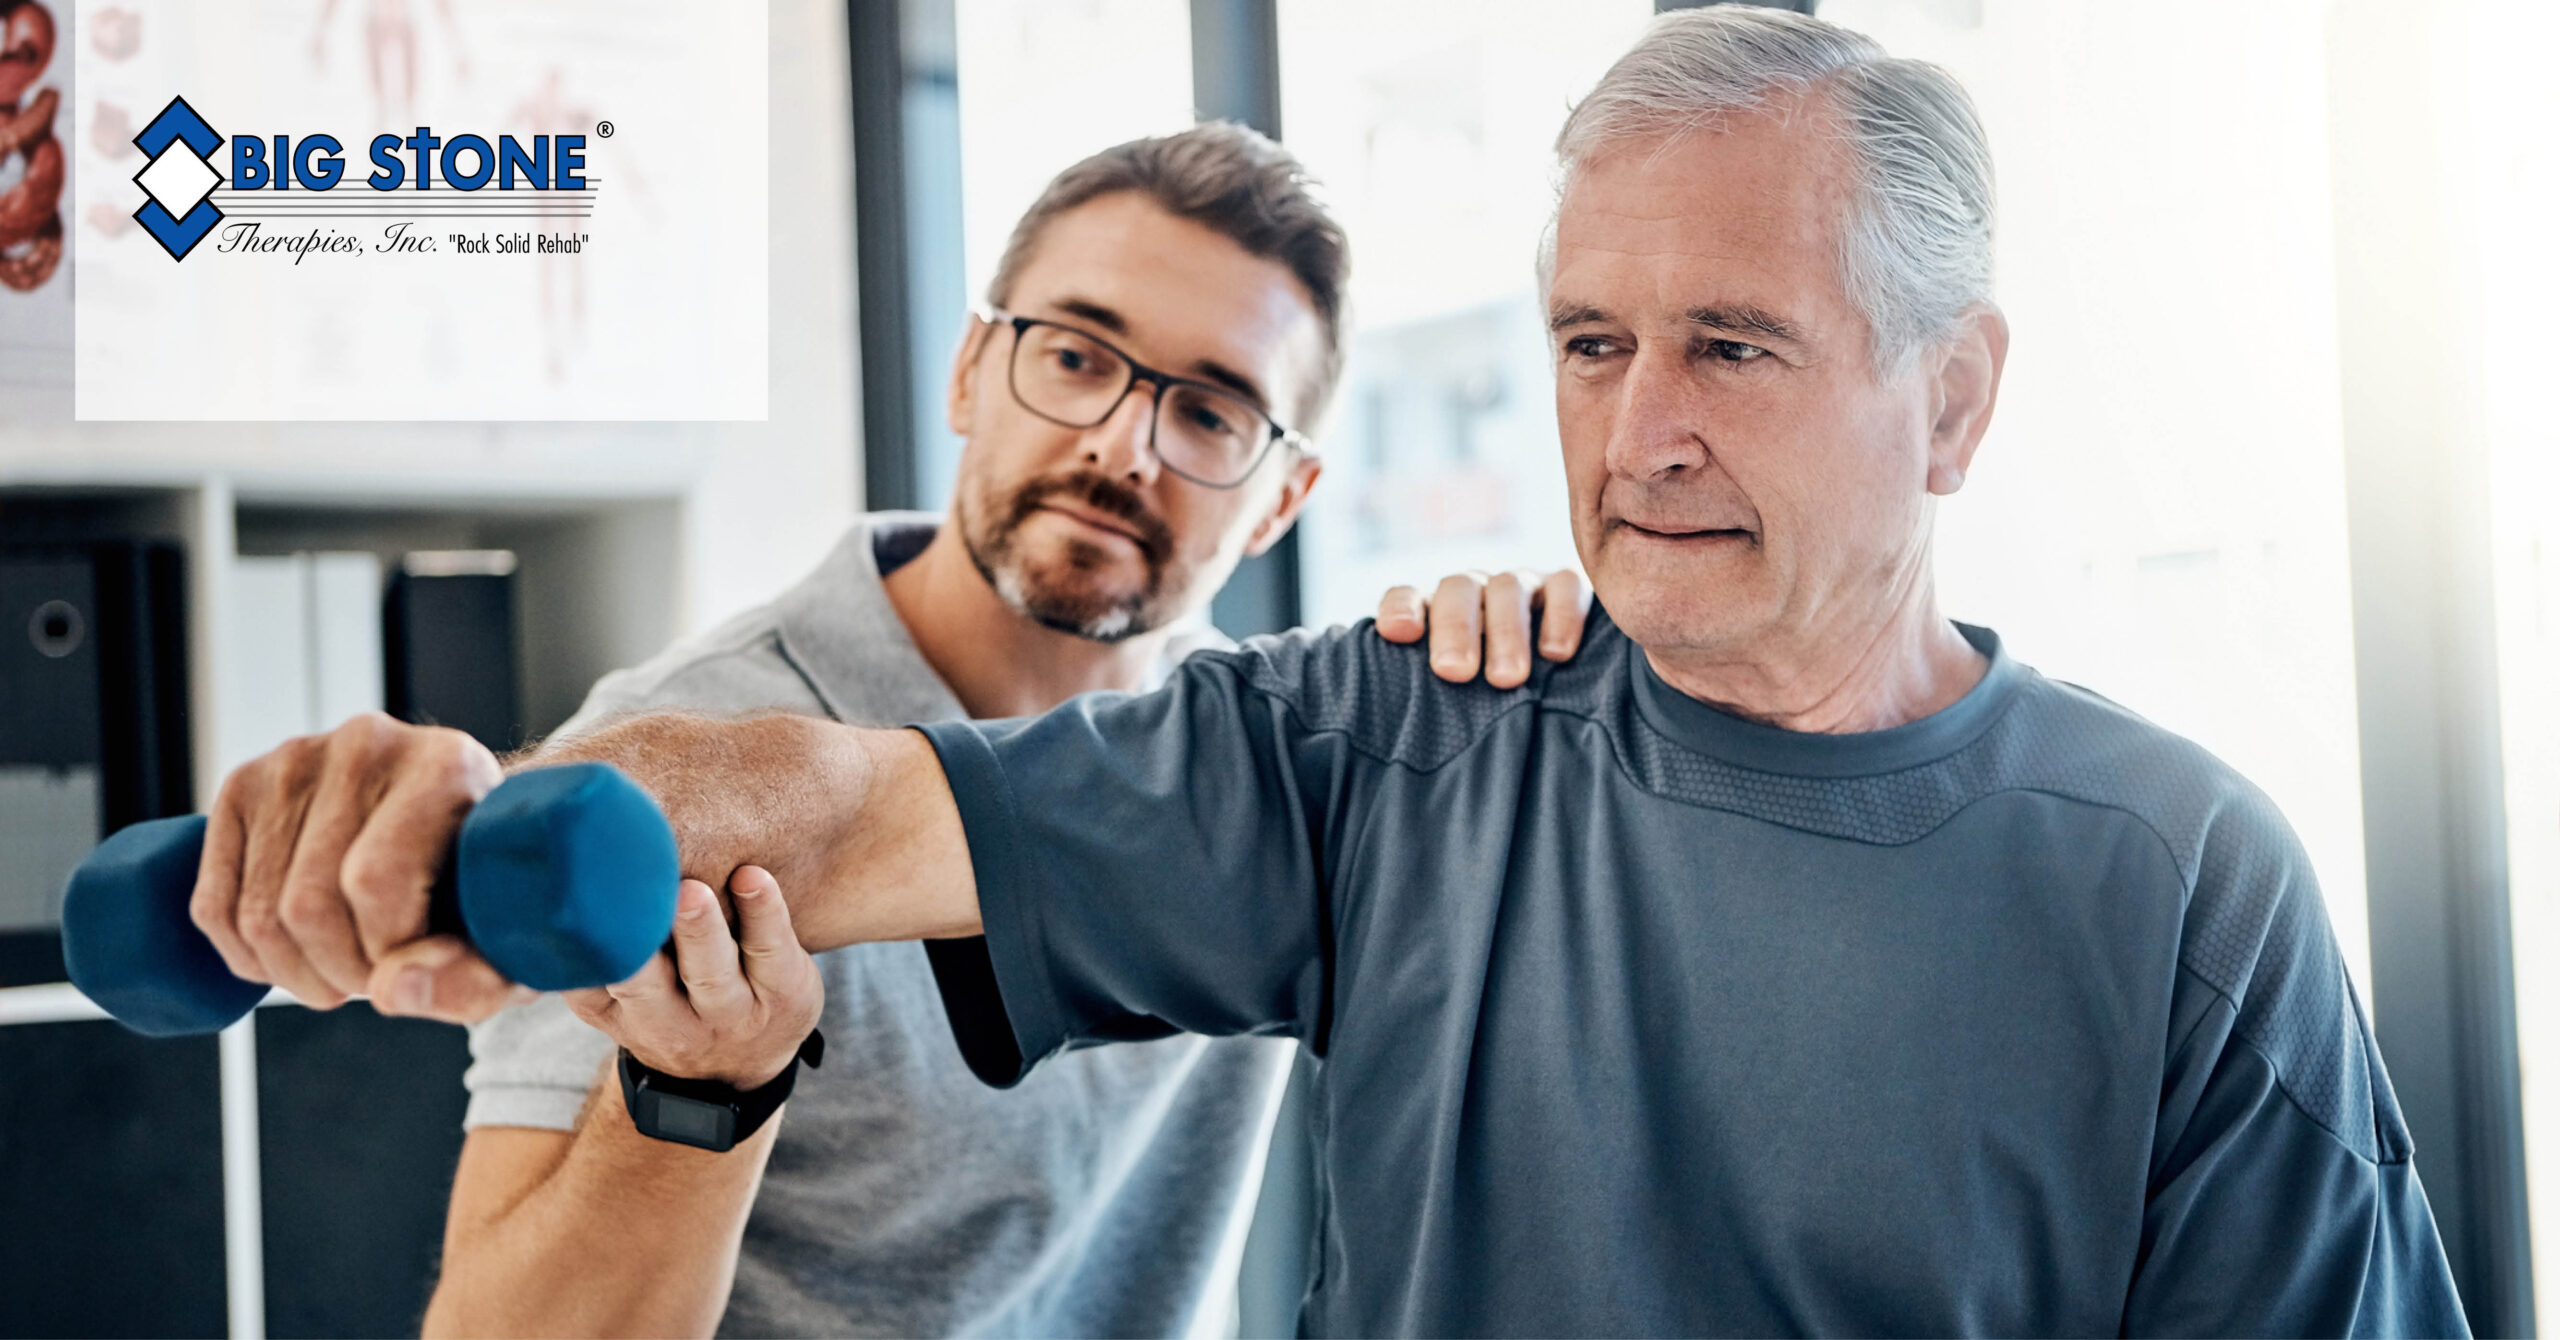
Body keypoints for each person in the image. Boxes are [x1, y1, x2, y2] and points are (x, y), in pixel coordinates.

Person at [191, 9, 2469, 1336]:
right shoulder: (1388, 734)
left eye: (1732, 349)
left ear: (1951, 402)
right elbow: (851, 794)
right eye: (1589, 343)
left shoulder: (2174, 877)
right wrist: (479, 815)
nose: (1636, 428)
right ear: (979, 362)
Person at [194, 123, 1582, 1337]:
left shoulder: (1273, 770)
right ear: (974, 371)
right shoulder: (691, 750)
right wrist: (703, 1092)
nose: (1120, 442)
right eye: (1077, 355)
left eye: (1210, 410)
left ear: (1282, 499)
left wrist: (1532, 666)